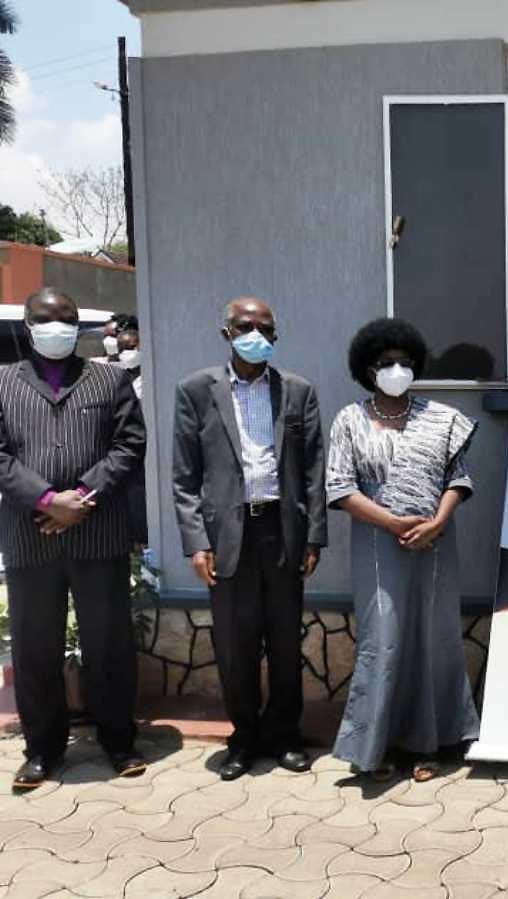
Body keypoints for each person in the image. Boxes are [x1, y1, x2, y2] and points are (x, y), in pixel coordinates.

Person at [172, 297, 327, 781]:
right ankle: (242, 739)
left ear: (276, 336)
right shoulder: (196, 390)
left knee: (284, 643)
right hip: (227, 537)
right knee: (236, 648)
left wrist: (314, 537)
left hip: (282, 532)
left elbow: (314, 471)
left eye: (264, 327)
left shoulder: (297, 392)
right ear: (226, 332)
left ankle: (284, 737)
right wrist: (197, 541)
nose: (255, 334)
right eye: (245, 326)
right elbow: (184, 476)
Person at [0, 288, 147, 790]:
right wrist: (47, 500)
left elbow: (131, 443)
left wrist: (83, 496)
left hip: (97, 529)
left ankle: (118, 740)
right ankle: (42, 749)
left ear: (79, 325)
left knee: (108, 642)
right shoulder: (3, 382)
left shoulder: (109, 378)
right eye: (46, 318)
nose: (56, 326)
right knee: (35, 646)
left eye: (66, 318)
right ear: (27, 324)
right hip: (30, 534)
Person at [326, 318, 481, 782]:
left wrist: (437, 521)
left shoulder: (440, 418)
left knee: (433, 638)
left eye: (405, 362)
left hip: (434, 544)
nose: (396, 369)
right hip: (377, 544)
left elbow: (459, 477)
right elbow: (338, 487)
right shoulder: (349, 420)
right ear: (366, 368)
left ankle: (429, 744)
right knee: (384, 640)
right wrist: (390, 521)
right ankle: (377, 746)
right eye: (386, 362)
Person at [116, 327, 147, 545]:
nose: (125, 353)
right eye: (122, 349)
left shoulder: (150, 378)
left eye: (130, 347)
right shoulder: (118, 378)